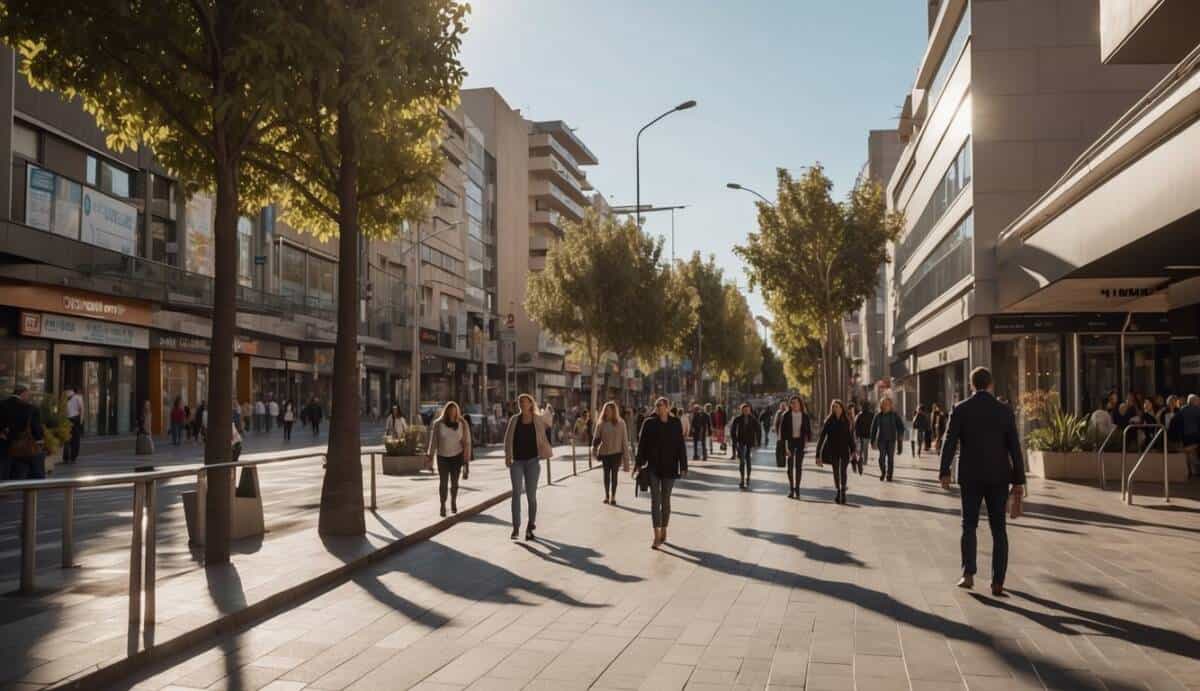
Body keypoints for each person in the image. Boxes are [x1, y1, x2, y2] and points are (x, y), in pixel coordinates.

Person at [938, 367, 1026, 596]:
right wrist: (1019, 481)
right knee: (999, 529)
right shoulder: (1004, 411)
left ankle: (968, 574)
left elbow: (950, 441)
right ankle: (998, 581)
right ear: (991, 385)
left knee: (969, 525)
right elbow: (1014, 448)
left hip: (971, 477)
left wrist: (944, 470)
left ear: (971, 384)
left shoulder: (961, 409)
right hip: (999, 477)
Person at [634, 396, 688, 548]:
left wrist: (683, 466)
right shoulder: (649, 423)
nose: (659, 408)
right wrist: (638, 464)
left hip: (670, 468)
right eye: (657, 406)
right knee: (655, 501)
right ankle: (656, 534)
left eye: (662, 405)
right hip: (653, 467)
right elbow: (642, 445)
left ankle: (664, 527)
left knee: (666, 501)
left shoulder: (676, 423)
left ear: (668, 407)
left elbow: (680, 446)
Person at [504, 394, 553, 540]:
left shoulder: (537, 419)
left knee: (531, 496)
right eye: (520, 402)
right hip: (517, 462)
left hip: (533, 461)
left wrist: (549, 410)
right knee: (516, 493)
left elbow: (548, 422)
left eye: (525, 402)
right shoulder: (514, 419)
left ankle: (531, 525)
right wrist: (508, 456)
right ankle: (515, 527)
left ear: (531, 404)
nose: (523, 404)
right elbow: (508, 439)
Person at [427, 401, 472, 518]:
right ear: (446, 411)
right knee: (443, 482)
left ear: (457, 411)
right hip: (442, 457)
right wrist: (430, 458)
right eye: (450, 410)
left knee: (455, 483)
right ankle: (442, 504)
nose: (452, 412)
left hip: (457, 456)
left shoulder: (462, 423)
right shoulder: (438, 424)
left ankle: (453, 501)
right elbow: (433, 443)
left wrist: (466, 463)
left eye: (454, 410)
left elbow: (466, 443)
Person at [0, 385, 45, 481]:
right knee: (21, 466)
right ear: (23, 393)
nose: (29, 397)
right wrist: (39, 439)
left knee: (4, 465)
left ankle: (3, 488)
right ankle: (16, 487)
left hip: (4, 441)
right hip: (22, 443)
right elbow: (36, 427)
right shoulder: (30, 408)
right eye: (28, 394)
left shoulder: (2, 404)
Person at [816, 399, 856, 505]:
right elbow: (822, 437)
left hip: (844, 451)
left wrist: (853, 450)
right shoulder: (829, 420)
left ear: (842, 408)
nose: (835, 409)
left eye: (837, 406)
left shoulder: (847, 421)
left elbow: (850, 437)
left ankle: (843, 491)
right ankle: (838, 491)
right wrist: (817, 454)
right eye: (833, 407)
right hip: (833, 450)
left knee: (843, 471)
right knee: (836, 472)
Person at [593, 401, 632, 505]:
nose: (607, 412)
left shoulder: (621, 423)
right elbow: (596, 439)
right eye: (605, 410)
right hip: (605, 453)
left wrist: (626, 460)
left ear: (614, 411)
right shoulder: (601, 423)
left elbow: (624, 441)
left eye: (609, 410)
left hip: (616, 454)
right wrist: (594, 449)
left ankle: (613, 496)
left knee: (614, 475)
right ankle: (606, 495)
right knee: (606, 475)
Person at [777, 395, 812, 499]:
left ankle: (797, 488)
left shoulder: (804, 415)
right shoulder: (786, 415)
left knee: (798, 466)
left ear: (800, 404)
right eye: (792, 403)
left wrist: (806, 442)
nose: (793, 405)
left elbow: (808, 431)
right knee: (790, 466)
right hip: (790, 442)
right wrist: (786, 447)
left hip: (800, 442)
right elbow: (782, 432)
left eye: (795, 403)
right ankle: (791, 488)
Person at [870, 397, 906, 482]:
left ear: (890, 405)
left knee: (890, 459)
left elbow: (901, 426)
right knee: (881, 458)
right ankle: (883, 472)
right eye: (884, 404)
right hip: (881, 440)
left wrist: (900, 436)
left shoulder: (894, 415)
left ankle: (890, 475)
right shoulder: (878, 416)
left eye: (887, 404)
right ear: (881, 405)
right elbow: (873, 429)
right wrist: (872, 441)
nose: (886, 405)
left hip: (891, 440)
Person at [730, 403, 761, 489]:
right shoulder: (737, 419)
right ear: (741, 410)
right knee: (742, 461)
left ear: (750, 410)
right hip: (741, 442)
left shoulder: (753, 419)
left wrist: (758, 442)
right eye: (744, 410)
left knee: (748, 460)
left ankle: (748, 477)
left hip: (749, 443)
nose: (746, 411)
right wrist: (735, 440)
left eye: (748, 410)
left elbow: (758, 430)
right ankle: (742, 478)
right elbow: (732, 430)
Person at [1178, 394, 1200, 477]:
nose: (1199, 402)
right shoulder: (1197, 409)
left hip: (1184, 436)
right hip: (1195, 435)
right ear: (1193, 401)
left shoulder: (1182, 409)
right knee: (1192, 450)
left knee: (1191, 453)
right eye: (1198, 401)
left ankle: (1190, 471)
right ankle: (1195, 470)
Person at [63, 386, 84, 464]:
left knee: (68, 438)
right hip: (73, 419)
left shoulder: (75, 397)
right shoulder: (78, 397)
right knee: (73, 439)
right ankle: (72, 456)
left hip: (70, 419)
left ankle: (68, 457)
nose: (67, 392)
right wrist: (81, 421)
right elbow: (82, 409)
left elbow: (81, 409)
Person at [853, 403, 874, 476]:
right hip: (867, 435)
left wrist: (857, 434)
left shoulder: (859, 415)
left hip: (861, 435)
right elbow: (873, 425)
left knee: (861, 449)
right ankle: (865, 460)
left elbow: (856, 425)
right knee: (865, 448)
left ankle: (861, 459)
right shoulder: (871, 415)